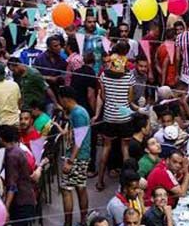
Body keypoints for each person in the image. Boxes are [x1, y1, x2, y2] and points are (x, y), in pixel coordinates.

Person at [95, 51, 135, 191]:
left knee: (106, 148)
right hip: (124, 117)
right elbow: (130, 99)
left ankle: (100, 180)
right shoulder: (129, 75)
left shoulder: (104, 75)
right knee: (125, 149)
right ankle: (126, 183)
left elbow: (103, 96)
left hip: (109, 117)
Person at [58, 86, 92, 226]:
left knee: (67, 190)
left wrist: (70, 161)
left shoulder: (78, 114)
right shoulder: (77, 112)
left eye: (61, 100)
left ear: (66, 99)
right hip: (80, 156)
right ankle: (83, 220)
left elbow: (79, 139)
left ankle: (68, 223)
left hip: (77, 157)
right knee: (80, 187)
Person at [0, 124, 41, 225]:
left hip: (21, 203)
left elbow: (12, 186)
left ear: (1, 139)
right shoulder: (18, 150)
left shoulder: (11, 156)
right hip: (28, 196)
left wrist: (6, 208)